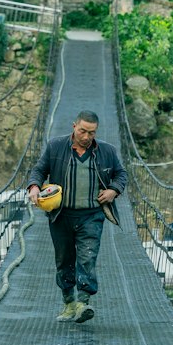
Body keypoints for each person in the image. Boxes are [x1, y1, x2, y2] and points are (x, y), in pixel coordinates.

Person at [27, 110, 127, 323]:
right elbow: (39, 170)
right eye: (82, 131)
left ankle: (83, 303)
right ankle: (68, 303)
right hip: (61, 215)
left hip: (91, 215)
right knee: (64, 259)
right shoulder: (56, 147)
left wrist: (113, 190)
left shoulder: (106, 151)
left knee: (87, 257)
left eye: (91, 133)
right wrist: (34, 187)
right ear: (74, 127)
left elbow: (121, 174)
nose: (86, 137)